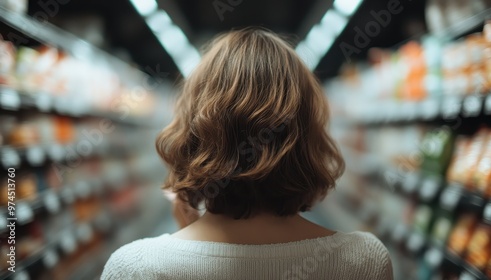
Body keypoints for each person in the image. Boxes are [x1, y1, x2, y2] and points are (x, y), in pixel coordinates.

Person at [101, 28, 393, 280]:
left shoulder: (135, 268)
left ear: (193, 137)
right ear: (308, 139)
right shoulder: (363, 261)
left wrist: (187, 231)